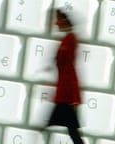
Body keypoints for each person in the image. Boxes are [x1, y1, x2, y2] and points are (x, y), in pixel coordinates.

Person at [46, 9, 84, 144]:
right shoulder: (67, 39)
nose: (56, 23)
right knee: (72, 130)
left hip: (66, 90)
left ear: (65, 20)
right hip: (64, 89)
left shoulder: (70, 39)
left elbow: (66, 64)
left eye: (59, 19)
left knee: (72, 129)